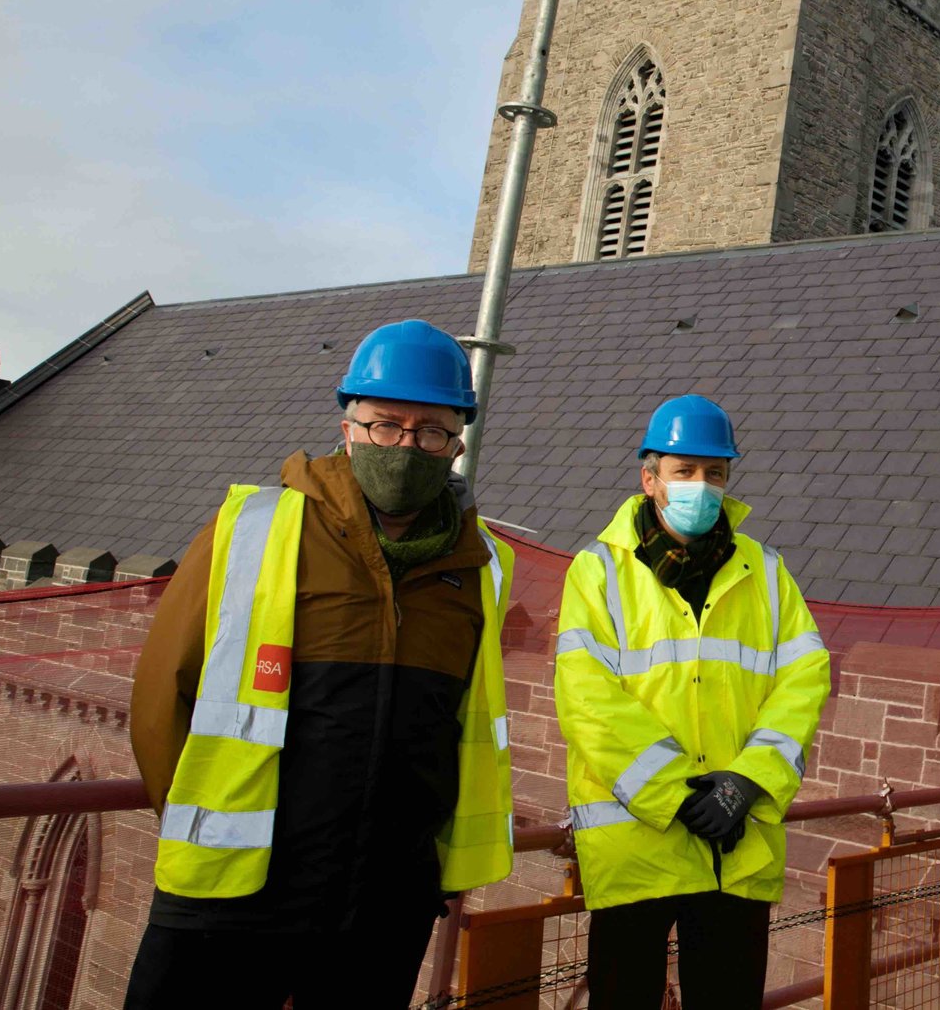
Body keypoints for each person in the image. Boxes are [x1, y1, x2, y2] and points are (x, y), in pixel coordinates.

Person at [124, 319, 517, 1009]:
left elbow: (460, 728)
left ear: (457, 444)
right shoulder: (254, 527)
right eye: (385, 424)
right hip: (234, 896)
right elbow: (163, 693)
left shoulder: (481, 565)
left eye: (430, 432)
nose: (405, 446)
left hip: (384, 905)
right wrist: (207, 830)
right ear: (347, 427)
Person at [554, 395, 830, 1010]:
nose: (700, 486)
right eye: (684, 471)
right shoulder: (599, 571)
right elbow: (588, 700)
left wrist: (745, 782)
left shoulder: (766, 571)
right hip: (638, 847)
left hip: (733, 849)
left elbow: (803, 682)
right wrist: (677, 793)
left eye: (715, 473)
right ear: (649, 479)